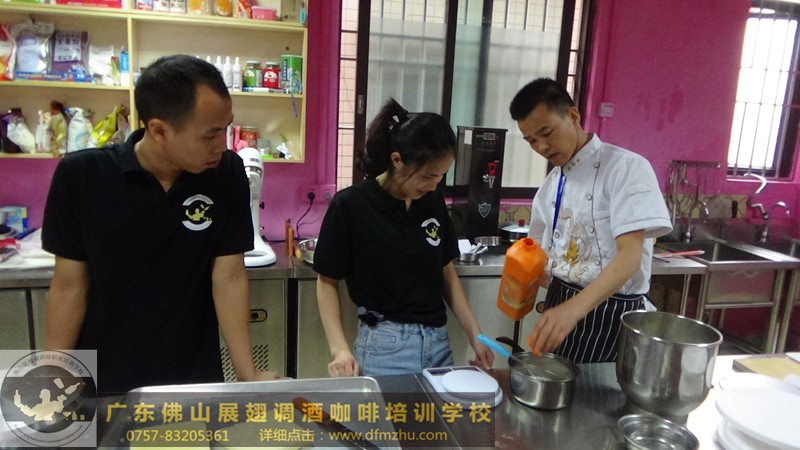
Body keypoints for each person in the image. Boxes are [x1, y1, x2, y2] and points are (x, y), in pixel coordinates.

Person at [42, 54, 281, 393]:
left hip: (193, 378)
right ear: (159, 130)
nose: (222, 145)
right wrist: (53, 378)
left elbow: (228, 277)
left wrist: (248, 375)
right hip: (102, 377)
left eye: (226, 128)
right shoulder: (82, 176)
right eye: (210, 135)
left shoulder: (225, 174)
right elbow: (69, 286)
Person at [314, 98, 494, 377]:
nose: (433, 185)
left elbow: (446, 273)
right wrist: (339, 349)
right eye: (428, 176)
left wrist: (476, 336)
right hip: (384, 346)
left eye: (441, 176)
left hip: (438, 345)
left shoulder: (431, 201)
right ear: (397, 160)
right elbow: (326, 281)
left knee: (443, 409)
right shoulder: (351, 205)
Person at [509, 78, 672, 363]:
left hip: (610, 315)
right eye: (531, 141)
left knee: (599, 390)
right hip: (560, 307)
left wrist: (573, 309)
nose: (542, 147)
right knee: (553, 388)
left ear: (572, 116)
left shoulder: (625, 168)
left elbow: (629, 257)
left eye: (546, 132)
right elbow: (543, 257)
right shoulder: (550, 185)